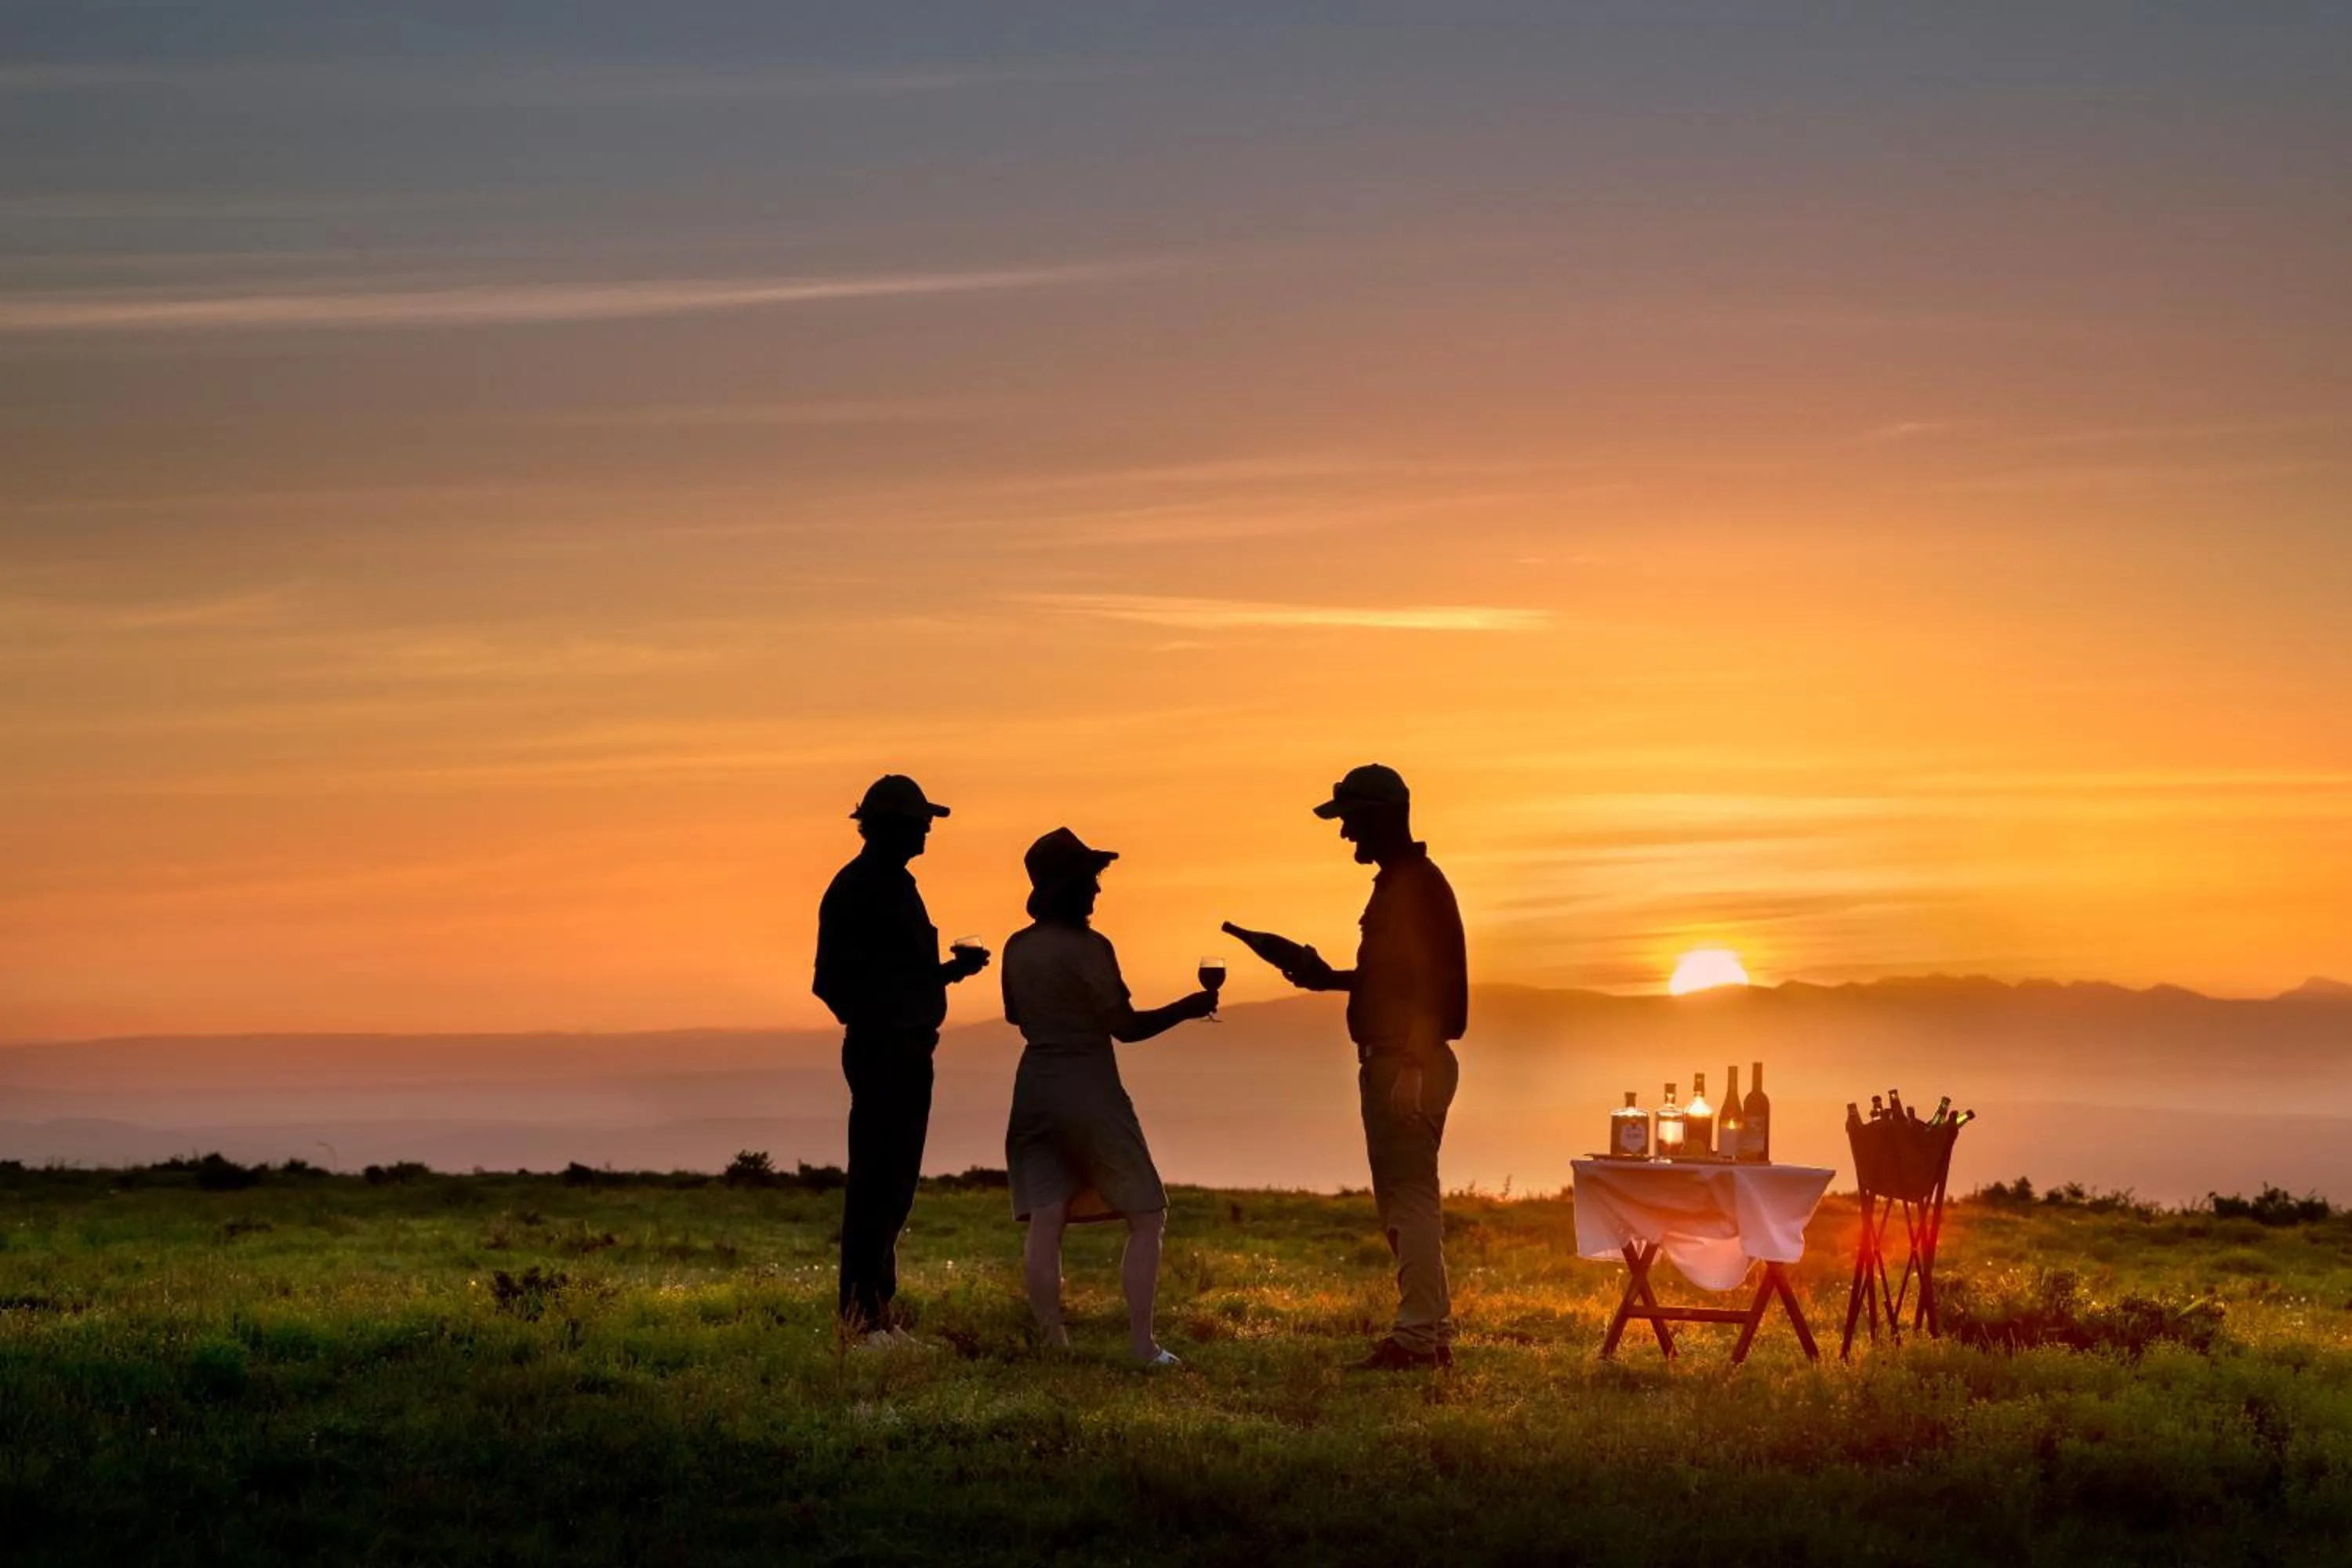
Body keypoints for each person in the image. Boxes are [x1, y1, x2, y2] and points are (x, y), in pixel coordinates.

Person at [1000, 827, 1216, 1366]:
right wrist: (1187, 1009)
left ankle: (1054, 1345)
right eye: (1092, 881)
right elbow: (1126, 1028)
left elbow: (1014, 1015)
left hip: (1033, 1086)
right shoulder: (1091, 948)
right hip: (1090, 1086)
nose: (1098, 891)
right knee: (1146, 1213)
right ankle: (1143, 1346)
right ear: (1071, 887)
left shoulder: (1016, 947)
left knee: (1046, 1220)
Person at [1278, 764, 1468, 1370]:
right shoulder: (1405, 882)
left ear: (1380, 817)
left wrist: (1411, 1062)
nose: (1345, 835)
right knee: (1409, 1201)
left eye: (1351, 821)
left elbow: (1433, 984)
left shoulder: (1412, 886)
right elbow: (1398, 978)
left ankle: (1417, 1340)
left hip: (1404, 1062)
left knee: (1409, 1201)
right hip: (1402, 1059)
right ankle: (1429, 1334)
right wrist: (1326, 978)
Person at [813, 774, 990, 1345]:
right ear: (889, 828)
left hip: (907, 1048)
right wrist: (885, 1020)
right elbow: (831, 983)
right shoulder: (858, 888)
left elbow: (898, 974)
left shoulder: (893, 885)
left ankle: (876, 1313)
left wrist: (946, 975)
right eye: (919, 824)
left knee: (895, 1186)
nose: (927, 833)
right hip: (885, 1050)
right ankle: (861, 1322)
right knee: (876, 1183)